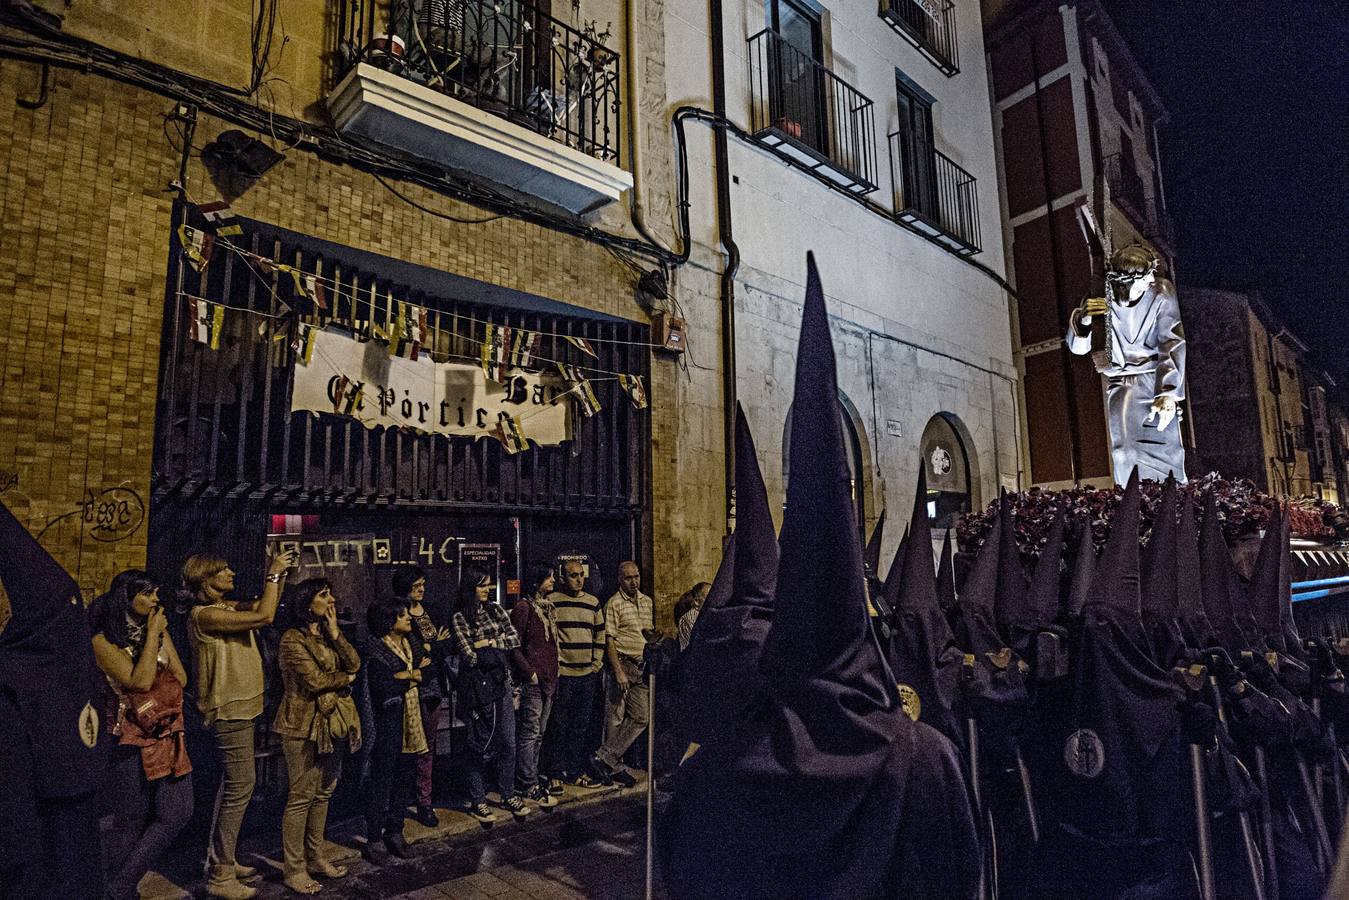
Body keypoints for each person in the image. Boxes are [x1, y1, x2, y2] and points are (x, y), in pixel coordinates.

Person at [185, 548, 297, 900]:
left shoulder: (225, 608)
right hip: (228, 710)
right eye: (223, 569)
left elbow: (265, 605)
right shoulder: (204, 615)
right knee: (240, 787)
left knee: (231, 788)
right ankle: (219, 875)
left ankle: (223, 859)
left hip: (241, 707)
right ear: (205, 579)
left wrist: (278, 576)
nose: (231, 572)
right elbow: (264, 615)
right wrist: (274, 571)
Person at [88, 571, 193, 900]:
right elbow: (140, 681)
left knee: (178, 812)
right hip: (128, 739)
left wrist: (159, 637)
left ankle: (117, 888)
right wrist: (152, 636)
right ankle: (123, 889)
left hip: (166, 732)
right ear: (126, 597)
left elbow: (182, 677)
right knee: (130, 819)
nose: (155, 600)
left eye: (156, 593)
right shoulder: (102, 641)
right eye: (147, 594)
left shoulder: (158, 632)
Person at [1068, 243, 1187, 484]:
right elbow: (1078, 349)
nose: (1151, 279)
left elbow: (1172, 341)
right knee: (1125, 452)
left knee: (1171, 452)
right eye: (1145, 276)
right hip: (1123, 384)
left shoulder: (1161, 292)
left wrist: (1168, 393)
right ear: (1126, 281)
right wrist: (1086, 319)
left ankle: (1174, 508)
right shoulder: (1100, 297)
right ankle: (1133, 509)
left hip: (1157, 379)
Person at [273, 579, 361, 894]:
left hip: (332, 722)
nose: (332, 600)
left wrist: (336, 632)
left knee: (324, 790)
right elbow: (314, 680)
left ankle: (316, 855)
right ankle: (293, 868)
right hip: (301, 724)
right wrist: (344, 679)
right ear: (306, 602)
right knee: (301, 796)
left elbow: (355, 662)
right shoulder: (291, 639)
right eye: (324, 595)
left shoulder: (325, 633)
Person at [451, 566, 530, 821]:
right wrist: (492, 648)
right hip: (477, 688)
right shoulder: (461, 616)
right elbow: (469, 657)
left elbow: (513, 640)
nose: (487, 589)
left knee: (508, 740)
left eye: (488, 585)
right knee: (479, 742)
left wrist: (488, 643)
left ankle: (507, 793)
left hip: (501, 684)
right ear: (471, 588)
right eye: (482, 585)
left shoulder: (496, 610)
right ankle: (477, 798)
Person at [362, 599, 428, 863]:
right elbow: (383, 685)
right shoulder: (376, 649)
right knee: (382, 779)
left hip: (411, 720)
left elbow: (427, 668)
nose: (408, 619)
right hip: (387, 722)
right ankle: (374, 837)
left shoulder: (410, 642)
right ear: (389, 621)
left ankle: (395, 830)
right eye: (402, 616)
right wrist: (409, 677)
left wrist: (404, 676)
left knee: (404, 776)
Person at [391, 566, 452, 827]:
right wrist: (431, 646)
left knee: (428, 746)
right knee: (406, 747)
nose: (422, 589)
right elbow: (415, 655)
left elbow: (445, 644)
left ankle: (424, 800)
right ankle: (399, 800)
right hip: (412, 686)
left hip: (433, 685)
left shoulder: (431, 612)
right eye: (417, 585)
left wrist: (433, 648)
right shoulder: (399, 614)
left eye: (423, 584)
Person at [590, 561, 653, 788]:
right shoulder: (614, 603)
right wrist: (618, 671)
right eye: (628, 578)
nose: (634, 581)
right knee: (614, 718)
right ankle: (612, 767)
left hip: (641, 666)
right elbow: (610, 639)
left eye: (636, 576)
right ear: (620, 579)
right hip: (623, 664)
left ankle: (604, 757)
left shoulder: (647, 602)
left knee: (641, 716)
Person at [544, 558, 606, 787]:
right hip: (564, 674)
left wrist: (596, 664)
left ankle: (575, 770)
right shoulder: (552, 601)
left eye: (581, 575)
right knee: (558, 725)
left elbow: (600, 633)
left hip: (586, 674)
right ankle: (556, 774)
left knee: (580, 726)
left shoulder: (592, 602)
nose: (579, 579)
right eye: (573, 575)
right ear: (562, 578)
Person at [509, 564, 561, 808]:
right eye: (549, 577)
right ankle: (526, 782)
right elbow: (514, 645)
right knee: (529, 732)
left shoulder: (549, 608)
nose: (552, 581)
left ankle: (532, 775)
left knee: (539, 732)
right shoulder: (523, 608)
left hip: (549, 678)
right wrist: (529, 673)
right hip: (534, 679)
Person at [675, 582, 711, 651]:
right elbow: (698, 648)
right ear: (697, 601)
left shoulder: (709, 615)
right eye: (709, 597)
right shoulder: (688, 619)